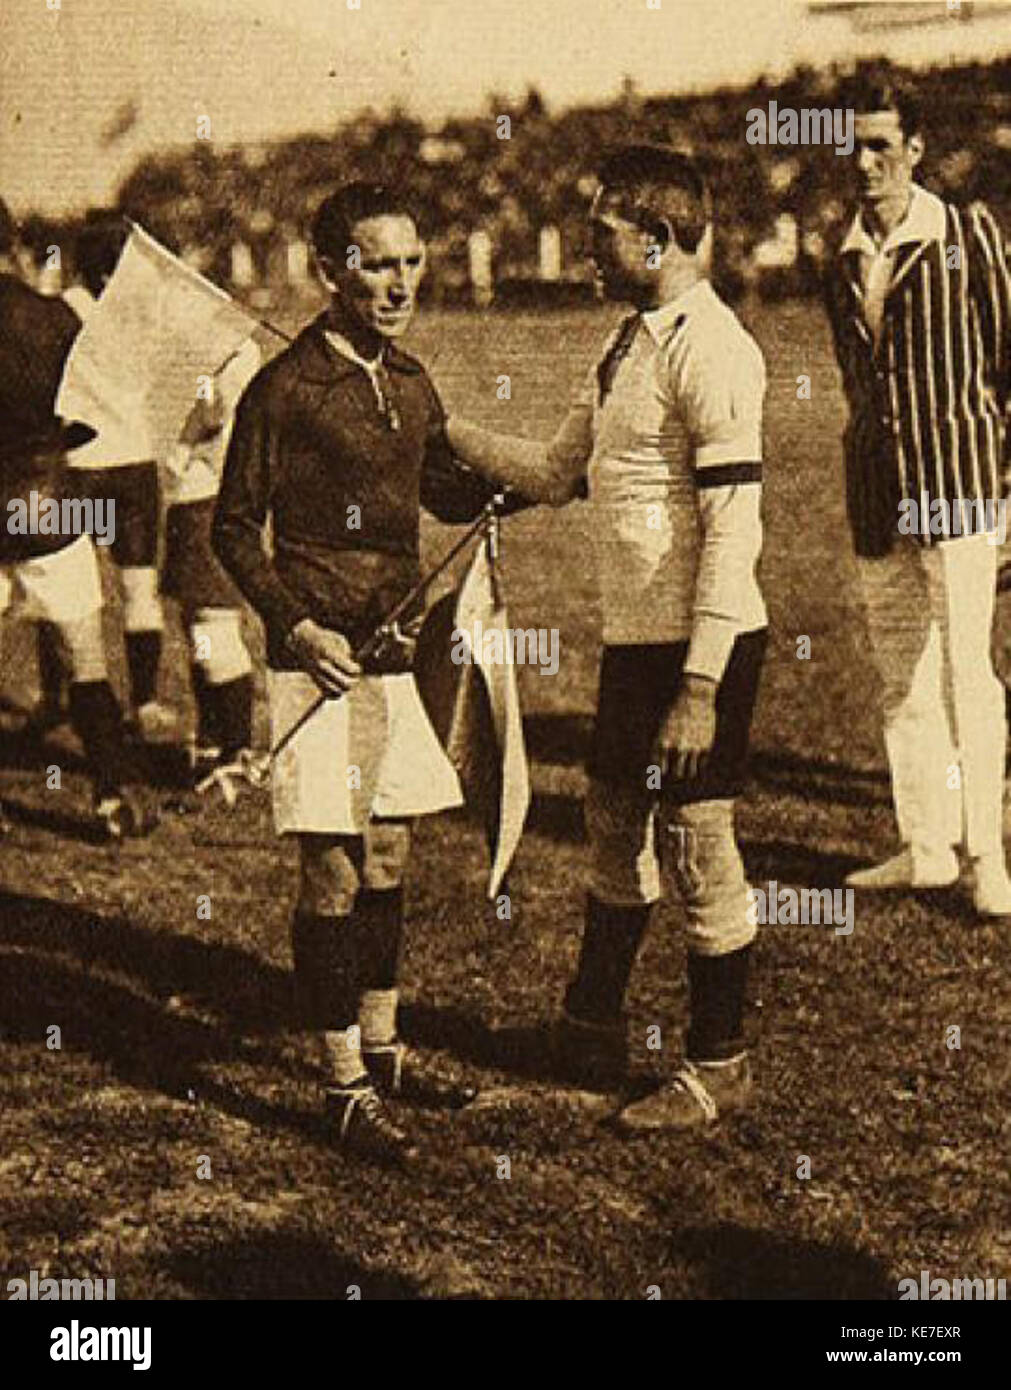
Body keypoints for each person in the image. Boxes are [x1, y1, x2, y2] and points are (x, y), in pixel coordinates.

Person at [446, 145, 768, 1132]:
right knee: (613, 822)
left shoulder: (714, 349)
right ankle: (591, 1025)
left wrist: (702, 684)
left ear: (661, 240)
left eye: (602, 238)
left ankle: (720, 1063)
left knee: (696, 839)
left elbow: (735, 529)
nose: (587, 255)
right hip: (638, 643)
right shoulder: (627, 342)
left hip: (701, 647)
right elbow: (551, 470)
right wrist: (430, 424)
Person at [213, 181, 509, 1162]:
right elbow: (230, 527)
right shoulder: (285, 387)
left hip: (390, 656)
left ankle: (382, 1048)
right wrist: (294, 627)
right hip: (320, 664)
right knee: (332, 869)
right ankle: (340, 1082)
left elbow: (432, 483)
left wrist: (520, 486)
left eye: (413, 261)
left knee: (388, 860)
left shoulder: (413, 381)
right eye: (378, 263)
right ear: (331, 272)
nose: (400, 282)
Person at [824, 74, 1011, 916]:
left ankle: (986, 857)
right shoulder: (840, 254)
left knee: (968, 673)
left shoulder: (965, 234)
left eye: (879, 145)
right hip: (878, 490)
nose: (865, 163)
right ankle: (924, 845)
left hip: (961, 483)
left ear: (914, 148)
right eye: (853, 147)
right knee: (900, 673)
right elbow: (856, 384)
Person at [0, 198, 151, 838]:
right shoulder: (56, 319)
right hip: (47, 504)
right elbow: (85, 420)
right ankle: (115, 793)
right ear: (13, 244)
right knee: (86, 659)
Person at [58, 216, 174, 743]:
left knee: (67, 591)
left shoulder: (64, 312)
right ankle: (145, 701)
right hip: (133, 464)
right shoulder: (147, 314)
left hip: (80, 467)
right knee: (138, 589)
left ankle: (58, 697)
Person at [162, 338, 261, 789]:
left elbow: (213, 415)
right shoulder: (217, 347)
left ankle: (239, 747)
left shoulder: (227, 348)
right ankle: (212, 737)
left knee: (212, 625)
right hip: (193, 501)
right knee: (194, 623)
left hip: (210, 498)